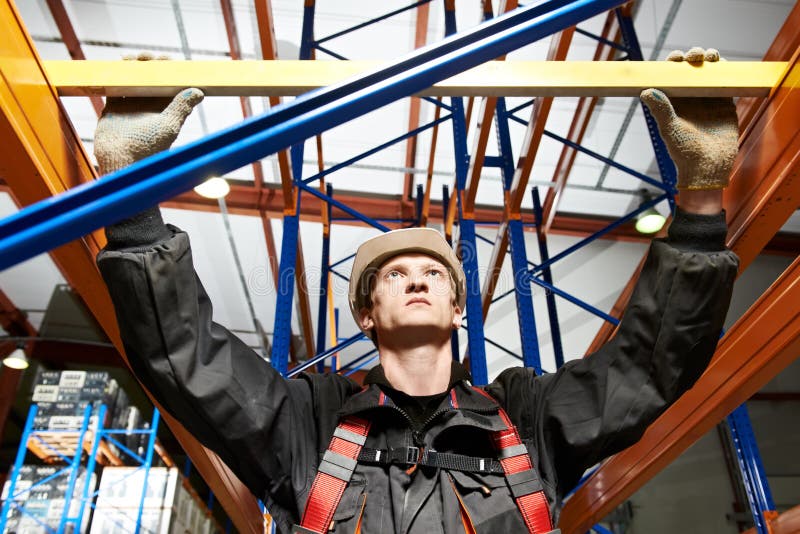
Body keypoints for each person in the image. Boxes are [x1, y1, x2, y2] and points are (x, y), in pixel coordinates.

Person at [96, 48, 739, 533]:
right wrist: (129, 196)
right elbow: (186, 357)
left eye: (435, 274)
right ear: (367, 315)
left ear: (459, 309)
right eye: (394, 276)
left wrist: (703, 196)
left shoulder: (529, 418)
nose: (417, 280)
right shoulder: (305, 422)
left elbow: (650, 366)